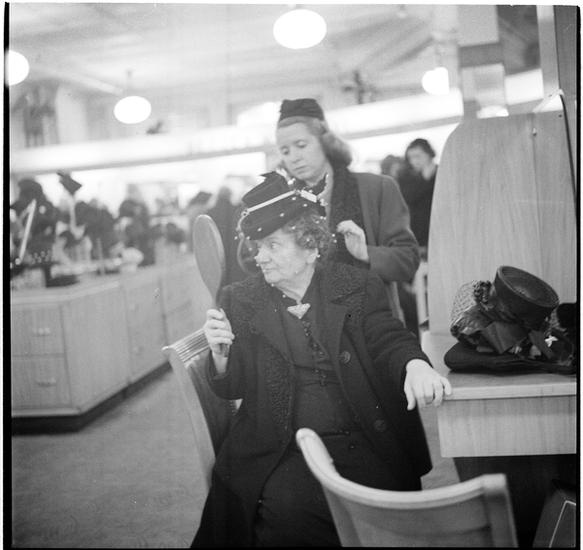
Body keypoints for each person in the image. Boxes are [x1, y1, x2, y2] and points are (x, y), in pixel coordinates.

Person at [192, 172, 451, 547]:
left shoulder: (356, 284)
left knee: (381, 512)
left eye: (273, 245)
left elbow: (388, 337)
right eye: (258, 246)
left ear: (310, 244)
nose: (260, 257)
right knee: (291, 516)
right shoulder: (242, 299)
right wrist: (221, 356)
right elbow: (233, 386)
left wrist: (415, 364)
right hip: (283, 449)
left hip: (362, 438)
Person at [239, 98, 419, 321]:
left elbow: (408, 260)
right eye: (285, 151)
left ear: (325, 141)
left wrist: (365, 253)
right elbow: (250, 261)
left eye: (301, 145)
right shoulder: (282, 205)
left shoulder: (377, 188)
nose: (293, 157)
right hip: (309, 328)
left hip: (374, 326)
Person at [402, 138, 438, 255]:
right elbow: (408, 198)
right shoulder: (408, 177)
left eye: (417, 156)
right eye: (411, 158)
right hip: (419, 236)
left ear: (429, 154)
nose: (414, 161)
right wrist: (424, 179)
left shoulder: (442, 172)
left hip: (439, 231)